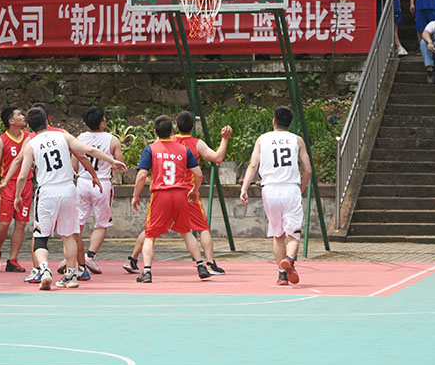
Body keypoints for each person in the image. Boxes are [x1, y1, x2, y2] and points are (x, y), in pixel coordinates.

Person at [12, 107, 124, 290]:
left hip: (47, 191)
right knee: (69, 235)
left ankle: (44, 269)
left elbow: (23, 175)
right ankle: (71, 276)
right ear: (47, 121)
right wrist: (112, 161)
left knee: (40, 236)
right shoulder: (63, 136)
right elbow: (89, 150)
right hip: (68, 189)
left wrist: (17, 196)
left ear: (29, 127)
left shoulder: (31, 144)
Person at [238, 106, 312, 286]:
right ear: (290, 123)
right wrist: (301, 188)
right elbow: (308, 170)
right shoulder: (297, 140)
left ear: (274, 121)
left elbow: (253, 166)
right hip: (291, 188)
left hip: (269, 189)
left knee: (277, 234)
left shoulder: (262, 139)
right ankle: (290, 260)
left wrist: (244, 188)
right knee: (293, 233)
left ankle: (282, 275)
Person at [130, 115, 207, 283]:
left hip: (160, 195)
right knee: (186, 231)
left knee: (150, 235)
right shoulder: (184, 150)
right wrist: (194, 190)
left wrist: (135, 195)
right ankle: (201, 265)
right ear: (172, 131)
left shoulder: (151, 149)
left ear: (155, 132)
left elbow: (142, 175)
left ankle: (147, 271)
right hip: (180, 194)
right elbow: (199, 174)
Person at [172, 111, 232, 275]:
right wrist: (225, 139)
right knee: (202, 228)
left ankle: (133, 259)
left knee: (151, 230)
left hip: (167, 191)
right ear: (193, 126)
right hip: (188, 191)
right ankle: (210, 263)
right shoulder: (197, 144)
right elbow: (217, 158)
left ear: (176, 126)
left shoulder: (168, 142)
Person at [72, 106, 124, 275]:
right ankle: (89, 256)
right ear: (102, 122)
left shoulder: (79, 138)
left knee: (78, 221)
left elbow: (74, 164)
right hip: (102, 183)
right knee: (101, 223)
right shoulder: (112, 140)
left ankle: (72, 254)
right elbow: (120, 164)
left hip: (83, 182)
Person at [0, 107, 33, 273]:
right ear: (11, 121)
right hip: (8, 186)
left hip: (26, 184)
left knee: (21, 223)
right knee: (5, 223)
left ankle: (13, 259)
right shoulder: (1, 140)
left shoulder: (29, 137)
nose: (23, 116)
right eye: (19, 114)